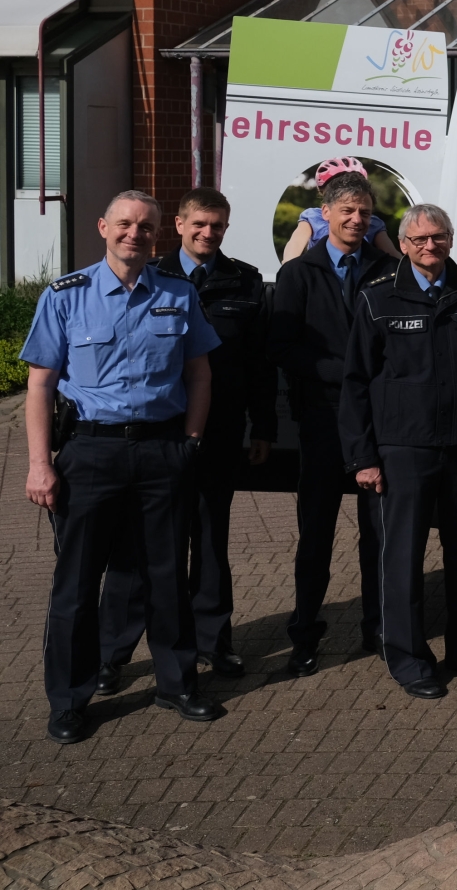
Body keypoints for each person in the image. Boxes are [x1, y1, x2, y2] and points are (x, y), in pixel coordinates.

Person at [24, 191, 223, 744]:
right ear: (103, 227)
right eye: (125, 224)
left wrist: (190, 440)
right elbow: (39, 385)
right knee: (77, 583)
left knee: (166, 577)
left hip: (162, 452)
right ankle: (68, 699)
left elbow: (200, 375)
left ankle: (177, 684)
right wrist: (40, 464)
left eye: (146, 227)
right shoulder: (67, 296)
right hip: (91, 454)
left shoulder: (179, 295)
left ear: (159, 234)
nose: (135, 234)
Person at [98, 189, 276, 691]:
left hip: (218, 435)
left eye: (217, 225)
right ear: (178, 225)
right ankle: (113, 654)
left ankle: (213, 643)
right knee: (138, 547)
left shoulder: (244, 281)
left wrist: (263, 426)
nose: (208, 233)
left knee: (210, 541)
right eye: (199, 223)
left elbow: (259, 364)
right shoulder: (150, 276)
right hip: (157, 432)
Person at [339, 204, 457, 699]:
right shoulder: (378, 298)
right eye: (418, 240)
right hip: (403, 450)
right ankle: (410, 659)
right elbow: (354, 383)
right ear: (404, 244)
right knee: (402, 559)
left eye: (437, 238)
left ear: (450, 240)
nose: (428, 247)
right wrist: (363, 457)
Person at [268, 169, 398, 676]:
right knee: (315, 537)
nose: (356, 219)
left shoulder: (387, 271)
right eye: (346, 211)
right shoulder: (300, 273)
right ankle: (304, 636)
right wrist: (346, 372)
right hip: (321, 422)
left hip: (374, 424)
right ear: (324, 215)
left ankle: (379, 629)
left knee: (377, 535)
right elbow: (281, 347)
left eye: (364, 213)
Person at [279, 157, 400, 263]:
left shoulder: (373, 223)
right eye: (335, 186)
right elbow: (296, 243)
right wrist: (288, 265)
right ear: (323, 192)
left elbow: (391, 253)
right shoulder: (312, 217)